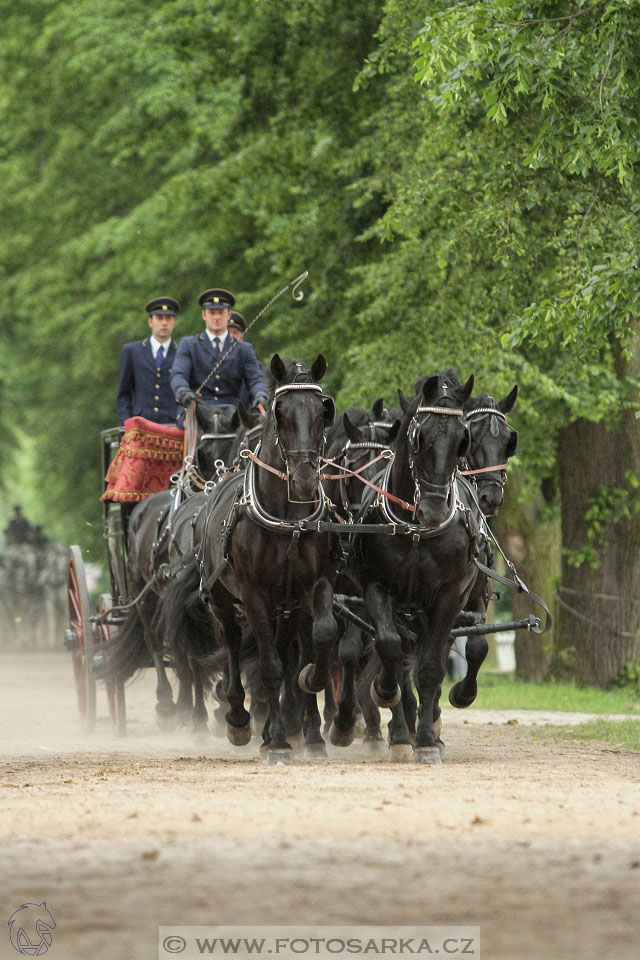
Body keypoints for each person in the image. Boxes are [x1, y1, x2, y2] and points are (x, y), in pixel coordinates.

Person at [170, 288, 267, 415]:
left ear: (228, 315)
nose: (216, 317)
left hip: (232, 412)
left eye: (221, 312)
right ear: (204, 315)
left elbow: (255, 380)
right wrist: (183, 392)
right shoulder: (189, 345)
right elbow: (178, 374)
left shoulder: (243, 349)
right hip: (197, 409)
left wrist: (261, 394)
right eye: (212, 312)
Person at [116, 297, 181, 426]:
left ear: (174, 322)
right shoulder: (132, 351)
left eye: (168, 319)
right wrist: (127, 424)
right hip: (140, 425)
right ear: (150, 322)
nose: (164, 323)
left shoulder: (182, 353)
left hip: (173, 426)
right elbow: (124, 394)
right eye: (159, 318)